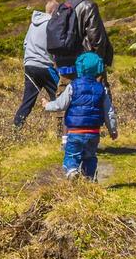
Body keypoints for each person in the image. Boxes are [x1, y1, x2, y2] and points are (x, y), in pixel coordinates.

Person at [41, 51, 118, 180]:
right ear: (99, 68)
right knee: (90, 157)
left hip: (75, 131)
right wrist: (113, 130)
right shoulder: (101, 89)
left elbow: (61, 105)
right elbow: (109, 112)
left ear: (79, 67)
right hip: (93, 133)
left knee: (71, 155)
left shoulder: (73, 86)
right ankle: (88, 178)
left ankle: (72, 171)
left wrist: (47, 105)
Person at [45, 0, 114, 83]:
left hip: (65, 62)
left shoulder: (62, 6)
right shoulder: (89, 5)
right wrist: (98, 63)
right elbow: (97, 38)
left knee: (66, 96)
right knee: (97, 95)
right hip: (85, 62)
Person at [14, 0, 60, 128]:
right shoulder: (52, 24)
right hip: (45, 66)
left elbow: (25, 44)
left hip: (29, 66)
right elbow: (55, 46)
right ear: (54, 11)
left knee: (28, 100)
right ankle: (63, 132)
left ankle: (16, 128)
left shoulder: (32, 24)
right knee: (60, 96)